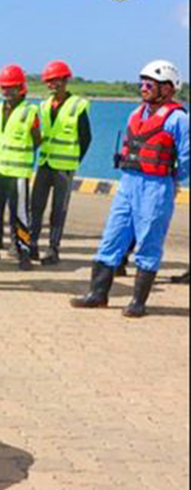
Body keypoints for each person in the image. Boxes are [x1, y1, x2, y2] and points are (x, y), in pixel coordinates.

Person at [71, 60, 188, 317]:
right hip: (128, 182)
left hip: (156, 186)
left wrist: (171, 179)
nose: (143, 88)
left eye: (149, 84)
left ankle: (138, 301)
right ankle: (97, 294)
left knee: (149, 241)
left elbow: (187, 157)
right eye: (142, 84)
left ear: (168, 89)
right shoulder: (136, 113)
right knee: (113, 235)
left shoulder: (178, 118)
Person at [31, 60, 92, 266]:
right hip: (45, 163)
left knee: (58, 210)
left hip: (64, 168)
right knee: (36, 206)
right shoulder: (44, 105)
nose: (51, 85)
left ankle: (53, 250)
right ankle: (31, 245)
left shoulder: (78, 105)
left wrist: (74, 160)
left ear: (65, 80)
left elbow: (86, 138)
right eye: (48, 81)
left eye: (55, 80)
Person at [0, 65, 41, 271]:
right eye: (4, 88)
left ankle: (23, 250)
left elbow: (36, 140)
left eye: (11, 88)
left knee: (20, 214)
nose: (7, 92)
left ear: (21, 88)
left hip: (18, 172)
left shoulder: (30, 111)